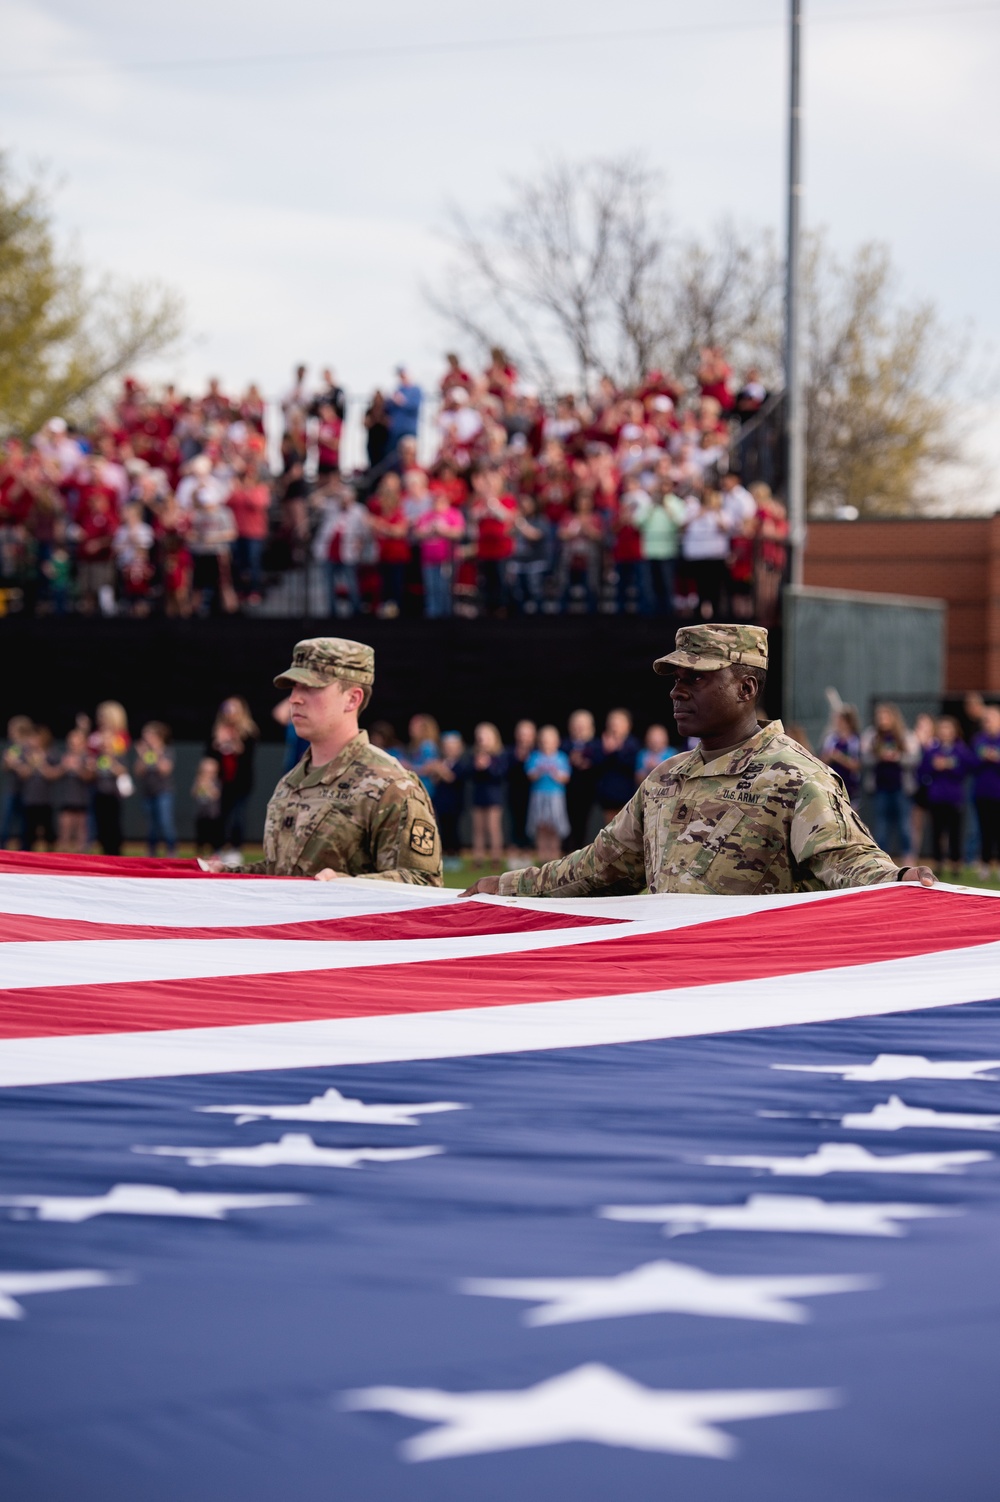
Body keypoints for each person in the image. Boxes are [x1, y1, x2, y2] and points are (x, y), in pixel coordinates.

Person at [463, 625, 934, 899]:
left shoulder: (794, 777)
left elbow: (845, 860)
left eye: (697, 678)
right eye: (675, 679)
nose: (677, 690)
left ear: (746, 689)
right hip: (665, 980)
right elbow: (595, 868)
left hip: (751, 988)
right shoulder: (666, 778)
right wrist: (503, 888)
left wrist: (897, 881)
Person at [210, 639, 442, 883]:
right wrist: (223, 876)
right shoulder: (290, 784)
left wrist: (345, 887)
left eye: (311, 688)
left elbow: (424, 884)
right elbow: (283, 874)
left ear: (352, 699)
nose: (294, 699)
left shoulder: (391, 786)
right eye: (294, 687)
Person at [918, 717, 975, 878]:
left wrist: (951, 766)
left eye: (948, 729)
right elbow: (922, 771)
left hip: (954, 797)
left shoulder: (960, 750)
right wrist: (934, 767)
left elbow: (969, 767)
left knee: (955, 832)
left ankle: (956, 864)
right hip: (936, 797)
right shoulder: (932, 750)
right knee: (937, 832)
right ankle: (938, 863)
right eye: (942, 728)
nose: (945, 732)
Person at [862, 703, 917, 861]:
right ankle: (882, 859)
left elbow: (915, 758)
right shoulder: (871, 736)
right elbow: (864, 758)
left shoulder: (905, 735)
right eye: (880, 717)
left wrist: (897, 757)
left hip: (901, 787)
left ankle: (908, 857)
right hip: (880, 787)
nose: (882, 720)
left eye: (885, 716)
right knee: (881, 825)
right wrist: (878, 756)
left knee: (904, 824)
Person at [207, 697, 258, 858]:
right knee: (220, 816)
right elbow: (210, 756)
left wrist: (233, 739)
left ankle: (236, 849)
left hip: (241, 782)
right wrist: (218, 742)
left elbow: (247, 755)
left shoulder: (248, 731)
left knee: (238, 816)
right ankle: (218, 848)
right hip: (222, 781)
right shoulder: (218, 730)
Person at [526, 725, 571, 862]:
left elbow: (565, 778)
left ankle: (554, 858)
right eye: (544, 740)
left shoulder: (561, 757)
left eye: (550, 740)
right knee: (541, 826)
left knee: (554, 827)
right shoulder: (534, 756)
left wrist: (554, 773)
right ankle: (542, 857)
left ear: (557, 742)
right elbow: (530, 775)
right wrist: (540, 771)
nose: (547, 743)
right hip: (538, 796)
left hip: (556, 796)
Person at [466, 721, 508, 866]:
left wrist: (487, 766)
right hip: (479, 795)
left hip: (494, 796)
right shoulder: (474, 755)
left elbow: (500, 774)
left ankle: (496, 857)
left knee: (493, 827)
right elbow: (469, 774)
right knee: (478, 828)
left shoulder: (499, 755)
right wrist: (477, 766)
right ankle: (478, 858)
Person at [134, 721, 177, 857]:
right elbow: (138, 771)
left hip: (163, 792)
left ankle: (171, 850)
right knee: (151, 825)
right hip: (148, 793)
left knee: (165, 822)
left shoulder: (166, 750)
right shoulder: (145, 753)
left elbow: (166, 769)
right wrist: (142, 755)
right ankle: (152, 851)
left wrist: (157, 753)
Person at [593, 708, 641, 822]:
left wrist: (616, 750)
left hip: (627, 796)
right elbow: (595, 766)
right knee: (610, 831)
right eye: (612, 723)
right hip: (607, 797)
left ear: (628, 726)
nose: (615, 726)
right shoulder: (600, 744)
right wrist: (606, 751)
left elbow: (632, 766)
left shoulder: (632, 744)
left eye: (619, 723)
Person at [19, 725, 60, 851]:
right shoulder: (25, 754)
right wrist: (32, 763)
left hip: (46, 800)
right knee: (28, 832)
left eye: (35, 737)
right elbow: (23, 774)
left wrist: (41, 763)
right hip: (30, 799)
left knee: (49, 832)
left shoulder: (51, 754)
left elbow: (53, 775)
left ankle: (52, 858)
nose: (32, 740)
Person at [563, 710, 598, 851]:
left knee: (585, 824)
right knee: (568, 823)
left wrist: (587, 763)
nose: (579, 728)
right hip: (567, 791)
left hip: (588, 791)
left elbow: (600, 763)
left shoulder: (596, 745)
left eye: (583, 725)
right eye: (576, 725)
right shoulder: (565, 744)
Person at [429, 731, 466, 865]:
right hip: (441, 802)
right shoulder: (442, 762)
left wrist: (440, 770)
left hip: (455, 803)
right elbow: (435, 780)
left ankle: (455, 855)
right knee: (442, 829)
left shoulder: (461, 764)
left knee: (454, 829)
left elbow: (452, 778)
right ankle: (444, 854)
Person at [973, 703, 1000, 877]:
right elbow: (971, 763)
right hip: (982, 793)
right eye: (985, 719)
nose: (987, 722)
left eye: (991, 719)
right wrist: (983, 758)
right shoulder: (978, 739)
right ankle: (985, 864)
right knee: (984, 830)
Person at [56, 726, 92, 852]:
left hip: (82, 799)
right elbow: (53, 774)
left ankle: (81, 859)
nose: (73, 746)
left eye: (76, 743)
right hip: (66, 798)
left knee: (81, 831)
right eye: (71, 743)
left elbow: (89, 776)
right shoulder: (63, 757)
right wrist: (64, 767)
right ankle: (62, 859)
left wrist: (77, 768)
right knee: (64, 829)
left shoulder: (87, 758)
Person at [506, 719, 537, 857]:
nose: (524, 737)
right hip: (515, 794)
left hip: (534, 794)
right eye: (521, 734)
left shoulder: (538, 752)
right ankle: (515, 852)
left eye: (527, 734)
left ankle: (528, 852)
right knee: (515, 823)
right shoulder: (510, 752)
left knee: (531, 824)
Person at [821, 707, 862, 808]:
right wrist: (830, 756)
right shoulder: (830, 739)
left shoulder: (855, 740)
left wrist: (839, 757)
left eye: (840, 721)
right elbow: (822, 761)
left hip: (850, 786)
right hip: (832, 784)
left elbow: (856, 765)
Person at [1, 715, 33, 849]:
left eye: (12, 729)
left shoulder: (29, 748)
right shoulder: (12, 748)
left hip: (27, 792)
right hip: (12, 789)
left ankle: (25, 850)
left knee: (25, 822)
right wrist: (9, 763)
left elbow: (27, 772)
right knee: (6, 820)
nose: (9, 732)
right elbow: (5, 767)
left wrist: (15, 764)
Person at [192, 757, 222, 855]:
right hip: (201, 814)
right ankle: (200, 854)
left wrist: (208, 785)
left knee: (213, 836)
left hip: (212, 815)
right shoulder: (198, 781)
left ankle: (214, 853)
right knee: (200, 836)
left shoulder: (216, 782)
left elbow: (216, 794)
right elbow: (194, 793)